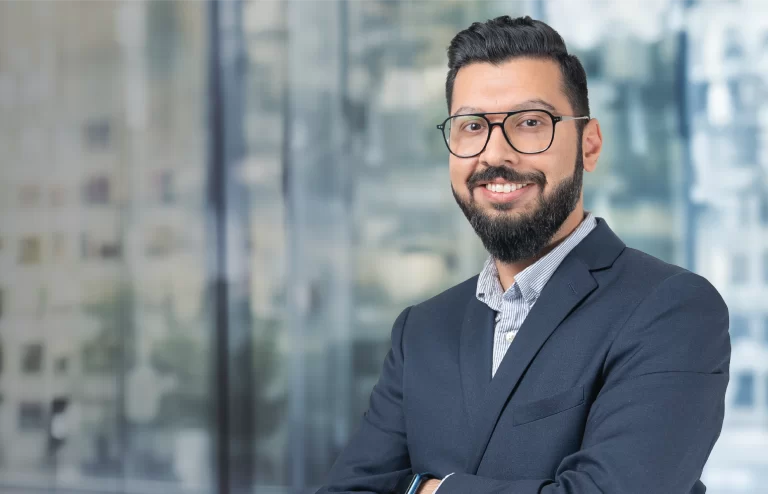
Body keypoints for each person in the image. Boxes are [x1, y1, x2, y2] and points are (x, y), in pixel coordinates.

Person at [317, 15, 730, 494]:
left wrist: (430, 489)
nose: (495, 154)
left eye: (530, 123)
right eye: (472, 126)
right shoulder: (422, 331)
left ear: (589, 145)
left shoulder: (670, 309)